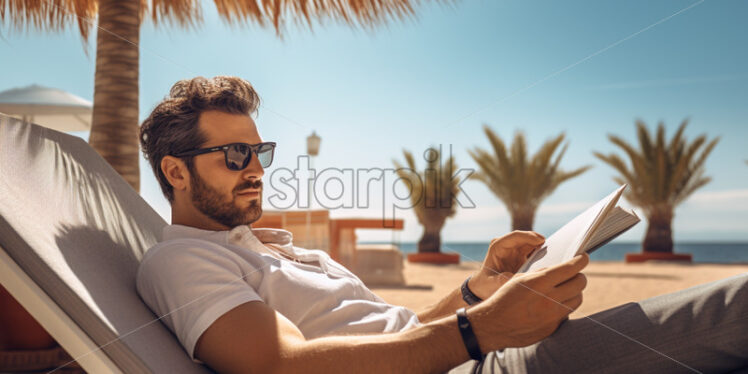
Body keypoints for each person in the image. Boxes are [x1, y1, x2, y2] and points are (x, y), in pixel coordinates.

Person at [136, 76, 748, 374]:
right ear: (177, 172)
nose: (256, 169)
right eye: (235, 155)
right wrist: (479, 333)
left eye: (260, 152)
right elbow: (282, 366)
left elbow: (397, 332)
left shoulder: (266, 247)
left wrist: (481, 288)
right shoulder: (182, 261)